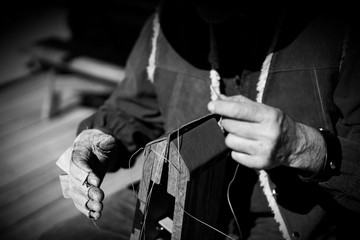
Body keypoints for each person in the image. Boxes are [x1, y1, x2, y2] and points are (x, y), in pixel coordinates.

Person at [40, 0, 360, 239]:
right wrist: (95, 139)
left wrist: (305, 148)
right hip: (173, 206)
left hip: (293, 225)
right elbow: (131, 107)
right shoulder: (168, 21)